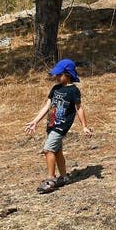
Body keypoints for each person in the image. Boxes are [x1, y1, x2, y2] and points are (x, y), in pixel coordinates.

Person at [25, 58, 92, 193]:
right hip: (51, 124)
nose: (55, 77)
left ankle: (50, 179)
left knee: (48, 150)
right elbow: (47, 105)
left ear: (67, 75)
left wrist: (84, 126)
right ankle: (63, 176)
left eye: (59, 74)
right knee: (57, 151)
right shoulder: (55, 88)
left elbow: (79, 108)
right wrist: (35, 121)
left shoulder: (73, 91)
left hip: (61, 126)